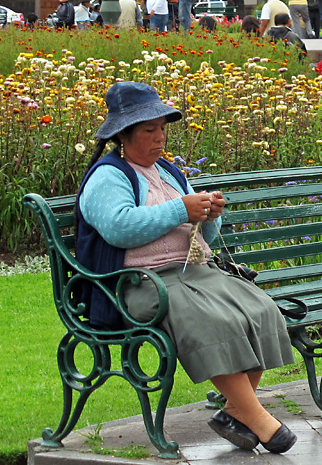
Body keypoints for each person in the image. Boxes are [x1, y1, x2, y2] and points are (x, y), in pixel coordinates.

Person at [76, 81, 297, 454]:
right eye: (149, 130)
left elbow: (201, 233)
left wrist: (209, 214)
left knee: (259, 309)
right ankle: (258, 419)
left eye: (162, 128)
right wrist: (181, 209)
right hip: (141, 283)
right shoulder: (108, 176)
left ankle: (236, 412)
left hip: (193, 272)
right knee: (211, 321)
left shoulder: (168, 171)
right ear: (123, 135)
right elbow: (118, 228)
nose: (160, 137)